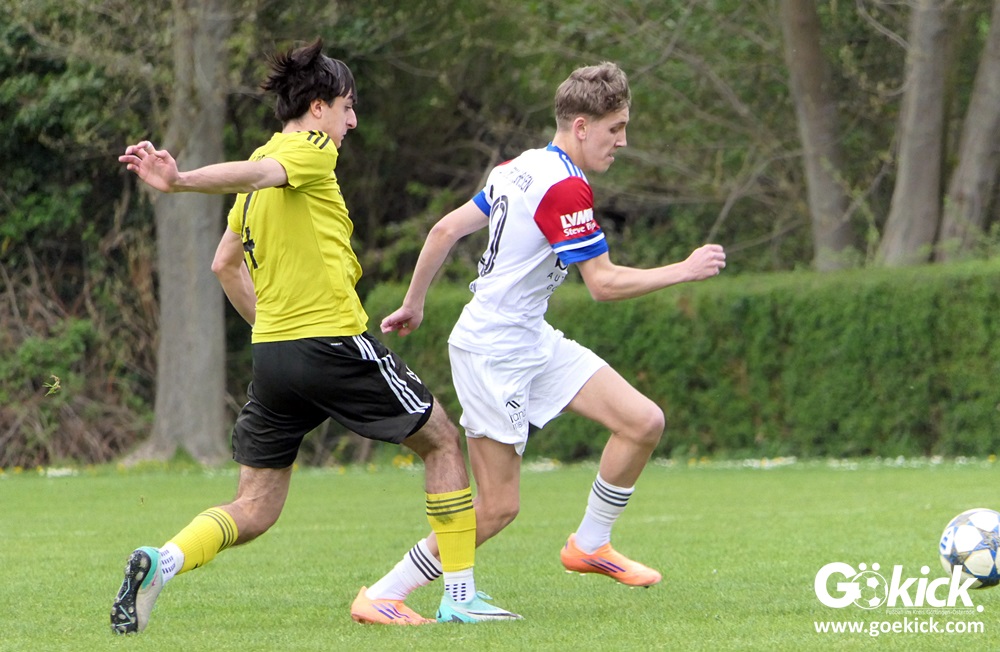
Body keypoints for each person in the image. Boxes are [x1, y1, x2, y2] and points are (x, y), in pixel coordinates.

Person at [109, 38, 519, 634]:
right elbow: (264, 173)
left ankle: (162, 561)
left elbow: (224, 264)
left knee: (255, 507)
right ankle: (460, 595)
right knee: (440, 440)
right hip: (331, 342)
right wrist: (180, 181)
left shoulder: (262, 176)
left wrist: (277, 333)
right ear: (319, 107)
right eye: (347, 108)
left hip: (274, 357)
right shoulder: (308, 150)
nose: (352, 122)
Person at [370, 61, 726, 602]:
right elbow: (603, 284)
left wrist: (413, 303)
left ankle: (590, 544)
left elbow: (444, 229)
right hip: (494, 350)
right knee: (497, 507)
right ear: (581, 126)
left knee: (641, 421)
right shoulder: (563, 187)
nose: (623, 141)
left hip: (528, 337)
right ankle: (385, 593)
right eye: (615, 129)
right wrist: (684, 269)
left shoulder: (519, 166)